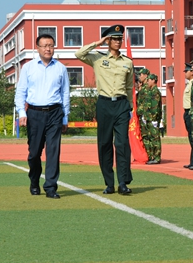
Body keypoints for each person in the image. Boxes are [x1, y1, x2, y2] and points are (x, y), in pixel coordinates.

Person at [75, 24, 134, 195]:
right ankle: (109, 183)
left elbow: (129, 86)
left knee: (122, 143)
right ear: (108, 40)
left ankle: (123, 182)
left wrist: (129, 107)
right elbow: (79, 54)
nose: (118, 41)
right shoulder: (97, 58)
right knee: (104, 144)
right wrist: (98, 42)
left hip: (122, 105)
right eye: (114, 39)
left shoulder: (127, 62)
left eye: (119, 39)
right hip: (104, 104)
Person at [14, 34, 70, 199]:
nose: (48, 49)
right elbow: (20, 92)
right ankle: (34, 181)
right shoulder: (28, 68)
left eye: (51, 45)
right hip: (34, 113)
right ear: (37, 48)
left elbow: (65, 93)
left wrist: (65, 117)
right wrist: (22, 113)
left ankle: (51, 187)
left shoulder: (60, 68)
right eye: (45, 45)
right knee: (34, 152)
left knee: (53, 151)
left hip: (55, 113)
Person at [137, 73, 162, 164]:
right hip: (148, 118)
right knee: (150, 138)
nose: (148, 82)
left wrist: (154, 119)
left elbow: (155, 107)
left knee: (155, 138)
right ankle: (152, 156)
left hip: (152, 119)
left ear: (154, 81)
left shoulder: (155, 92)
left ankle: (157, 157)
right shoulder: (151, 91)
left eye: (149, 80)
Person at [182, 63, 193, 168]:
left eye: (187, 71)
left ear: (192, 72)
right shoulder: (189, 83)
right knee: (191, 137)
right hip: (187, 112)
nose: (185, 74)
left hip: (191, 111)